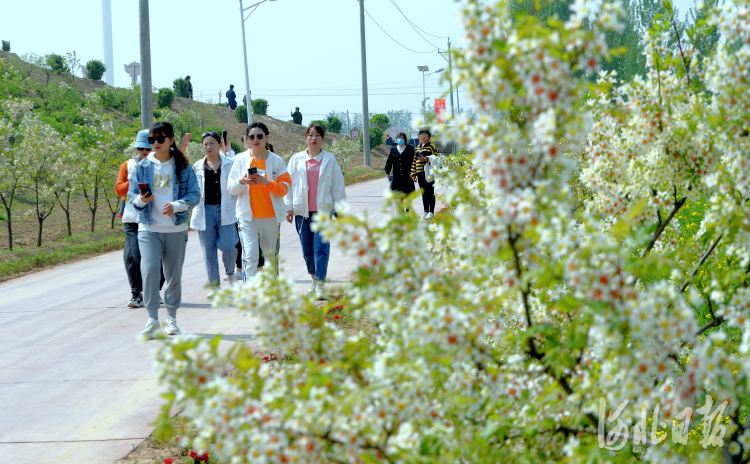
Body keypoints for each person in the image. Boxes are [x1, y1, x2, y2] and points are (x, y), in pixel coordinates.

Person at [128, 122, 200, 338]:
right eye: (152, 140)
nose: (155, 144)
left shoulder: (183, 167)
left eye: (160, 139)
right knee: (149, 271)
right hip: (148, 227)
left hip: (175, 229)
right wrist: (141, 200)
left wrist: (177, 206)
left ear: (171, 140)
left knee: (173, 275)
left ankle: (171, 318)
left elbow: (195, 195)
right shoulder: (141, 167)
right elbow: (131, 196)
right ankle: (152, 319)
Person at [284, 124, 346, 299]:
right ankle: (314, 280)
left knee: (321, 248)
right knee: (307, 250)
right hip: (302, 213)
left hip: (323, 212)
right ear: (305, 138)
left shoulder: (329, 160)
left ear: (323, 139)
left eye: (317, 135)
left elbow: (337, 186)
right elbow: (288, 185)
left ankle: (320, 284)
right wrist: (288, 207)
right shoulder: (296, 160)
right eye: (310, 135)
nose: (314, 138)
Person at [228, 122, 291, 280]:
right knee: (250, 257)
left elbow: (285, 188)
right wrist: (242, 181)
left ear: (266, 138)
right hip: (247, 217)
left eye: (259, 136)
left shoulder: (276, 161)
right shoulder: (240, 160)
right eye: (252, 136)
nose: (255, 139)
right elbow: (230, 188)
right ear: (247, 139)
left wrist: (267, 183)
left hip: (270, 217)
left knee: (270, 259)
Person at [114, 130, 165, 307]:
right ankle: (136, 293)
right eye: (141, 147)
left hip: (154, 218)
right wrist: (135, 176)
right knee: (133, 256)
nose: (144, 151)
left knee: (155, 258)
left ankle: (154, 291)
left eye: (147, 147)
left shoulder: (162, 164)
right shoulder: (128, 165)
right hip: (133, 218)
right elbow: (119, 189)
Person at [190, 132, 239, 298]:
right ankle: (215, 286)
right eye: (205, 144)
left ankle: (231, 273)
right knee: (208, 251)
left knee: (228, 246)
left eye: (212, 143)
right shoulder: (197, 167)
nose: (209, 147)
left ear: (220, 145)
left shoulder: (230, 164)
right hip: (205, 211)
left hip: (227, 210)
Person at [384, 132, 416, 213]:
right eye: (398, 138)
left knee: (408, 195)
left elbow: (413, 161)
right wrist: (387, 172)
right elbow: (389, 161)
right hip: (397, 176)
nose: (400, 140)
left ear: (405, 140)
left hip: (407, 176)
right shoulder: (393, 149)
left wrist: (413, 173)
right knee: (400, 195)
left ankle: (408, 210)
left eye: (402, 138)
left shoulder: (409, 148)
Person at [411, 129, 439, 219]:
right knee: (423, 193)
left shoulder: (431, 146)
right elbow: (414, 161)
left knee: (430, 192)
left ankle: (431, 212)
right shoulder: (417, 147)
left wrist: (426, 159)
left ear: (429, 136)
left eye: (424, 134)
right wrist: (413, 173)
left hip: (429, 172)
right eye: (421, 134)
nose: (422, 136)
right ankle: (425, 211)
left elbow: (437, 159)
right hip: (420, 173)